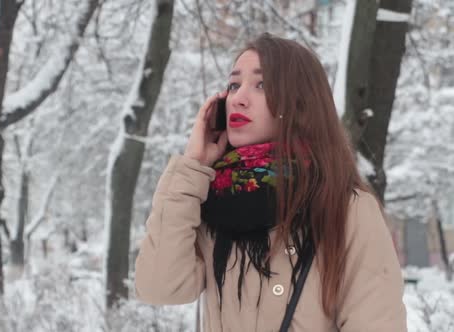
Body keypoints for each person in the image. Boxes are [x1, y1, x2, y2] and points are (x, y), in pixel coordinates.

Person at [134, 33, 407, 331]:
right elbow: (159, 287)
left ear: (300, 104)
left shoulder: (346, 209)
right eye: (234, 85)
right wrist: (192, 166)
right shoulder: (214, 203)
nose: (238, 98)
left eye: (261, 85)